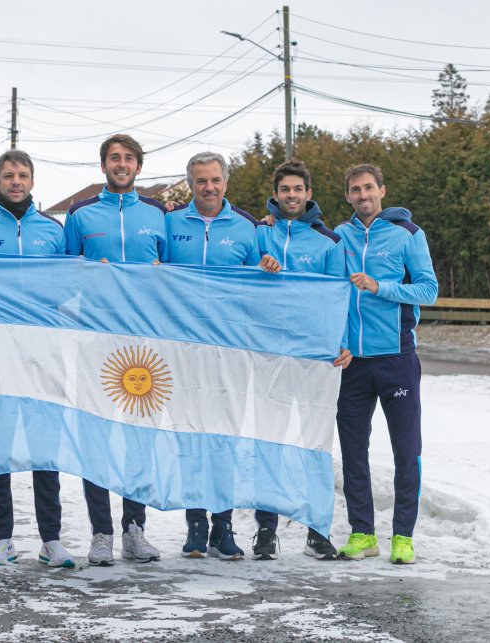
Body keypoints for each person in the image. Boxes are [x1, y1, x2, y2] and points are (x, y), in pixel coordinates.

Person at [0, 149, 76, 569]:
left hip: (43, 352)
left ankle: (51, 540)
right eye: (8, 175)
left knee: (45, 448)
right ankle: (2, 540)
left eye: (23, 175)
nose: (16, 182)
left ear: (32, 181)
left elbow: (69, 286)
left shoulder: (53, 231)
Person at [164, 151, 277, 562]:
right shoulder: (170, 223)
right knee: (191, 436)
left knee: (225, 438)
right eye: (200, 181)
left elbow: (257, 290)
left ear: (225, 182)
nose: (208, 187)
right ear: (190, 184)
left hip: (229, 350)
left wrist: (267, 266)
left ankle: (223, 525)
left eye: (214, 180)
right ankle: (195, 524)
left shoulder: (247, 228)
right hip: (182, 349)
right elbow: (152, 275)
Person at [63, 134, 165, 565]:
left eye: (128, 158)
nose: (121, 164)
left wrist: (162, 274)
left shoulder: (158, 215)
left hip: (144, 346)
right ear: (103, 164)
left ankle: (134, 530)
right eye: (113, 158)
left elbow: (176, 277)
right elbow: (63, 278)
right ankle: (101, 533)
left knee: (138, 440)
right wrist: (88, 274)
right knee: (97, 438)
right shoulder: (80, 215)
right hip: (97, 344)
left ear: (139, 166)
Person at [333, 163, 438, 565]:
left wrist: (380, 287)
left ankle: (403, 537)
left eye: (368, 188)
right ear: (348, 196)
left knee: (406, 451)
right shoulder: (339, 236)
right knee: (353, 453)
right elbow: (327, 289)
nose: (362, 195)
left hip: (397, 358)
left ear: (382, 190)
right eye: (355, 190)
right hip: (353, 364)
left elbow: (428, 290)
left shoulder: (408, 234)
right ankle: (362, 534)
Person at [253, 159, 352, 561]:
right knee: (269, 441)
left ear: (309, 194)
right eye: (285, 189)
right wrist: (260, 265)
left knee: (315, 444)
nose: (291, 195)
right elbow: (242, 278)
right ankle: (265, 529)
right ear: (275, 194)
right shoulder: (260, 232)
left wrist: (343, 342)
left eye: (298, 189)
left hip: (315, 356)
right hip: (270, 353)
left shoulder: (328, 241)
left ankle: (317, 530)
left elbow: (340, 296)